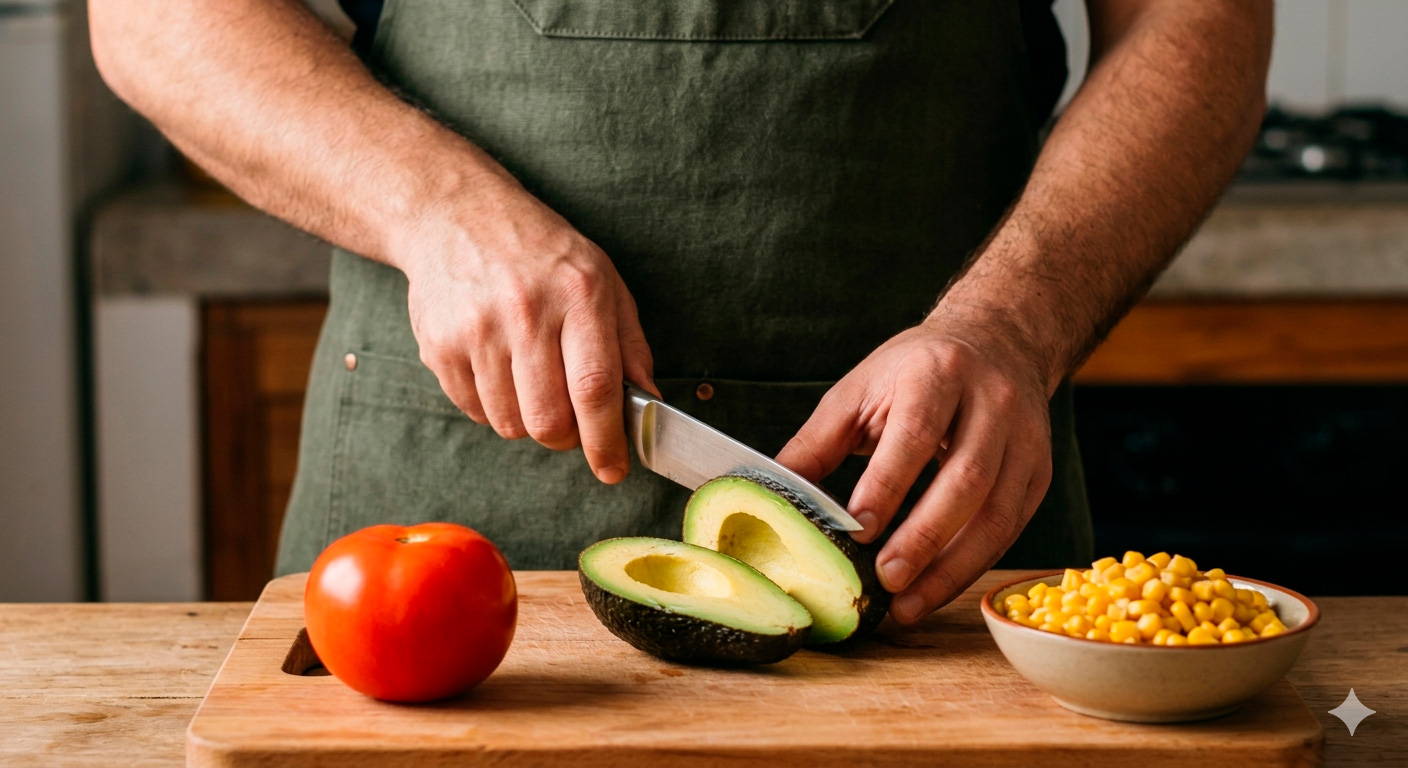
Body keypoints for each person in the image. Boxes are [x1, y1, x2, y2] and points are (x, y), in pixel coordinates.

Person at [91, 0, 1272, 625]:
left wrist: (1011, 322)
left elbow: (1197, 16)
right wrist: (437, 209)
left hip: (933, 511)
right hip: (450, 525)